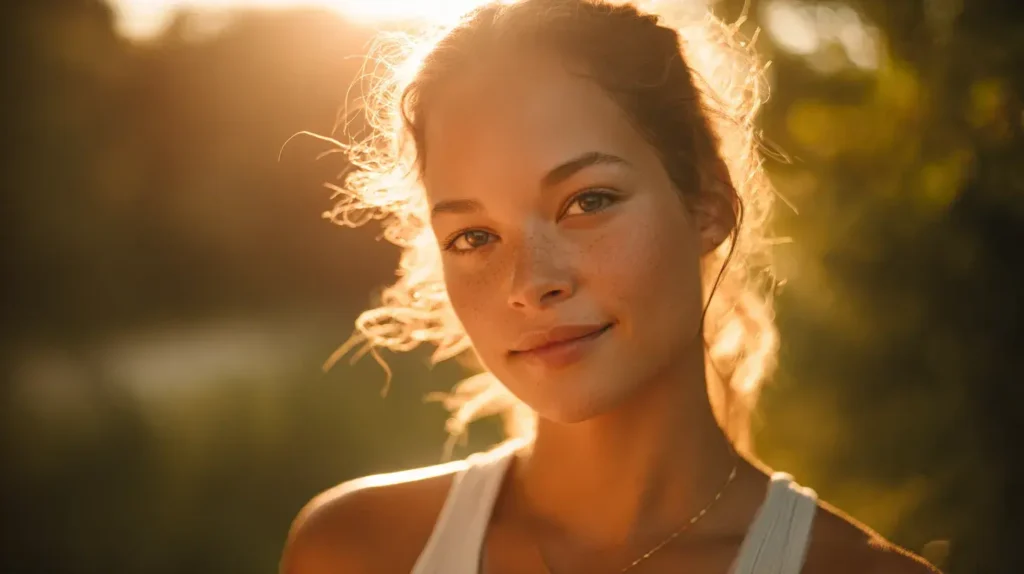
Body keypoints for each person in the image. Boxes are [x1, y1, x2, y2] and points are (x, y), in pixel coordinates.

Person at [280, 1, 941, 572]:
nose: (532, 283)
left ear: (708, 201)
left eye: (588, 200)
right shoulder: (355, 552)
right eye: (474, 237)